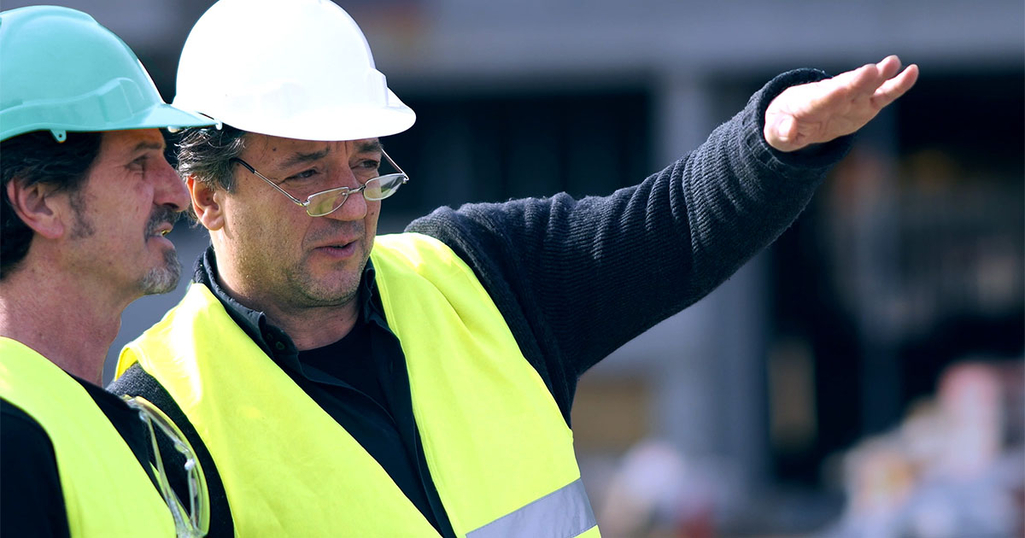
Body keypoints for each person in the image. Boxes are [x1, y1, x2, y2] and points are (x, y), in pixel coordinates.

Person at [109, 0, 919, 536]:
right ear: (205, 196)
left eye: (365, 163)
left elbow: (668, 228)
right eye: (306, 172)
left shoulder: (480, 278)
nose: (353, 203)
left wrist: (772, 143)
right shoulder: (161, 415)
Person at [0, 6, 216, 537]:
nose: (176, 193)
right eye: (140, 162)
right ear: (40, 201)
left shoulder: (137, 436)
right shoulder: (9, 440)